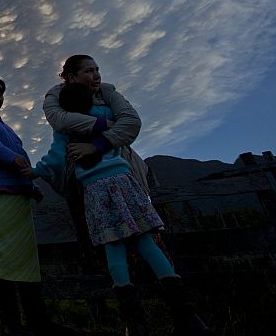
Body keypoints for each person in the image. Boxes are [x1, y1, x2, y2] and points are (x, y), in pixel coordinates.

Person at [31, 55, 212, 335]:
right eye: (89, 71)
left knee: (112, 247)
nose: (96, 75)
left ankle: (136, 323)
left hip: (96, 189)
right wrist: (109, 127)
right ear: (70, 76)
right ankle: (186, 316)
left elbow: (55, 157)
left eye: (97, 69)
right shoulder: (96, 112)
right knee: (146, 241)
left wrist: (35, 172)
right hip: (124, 181)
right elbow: (117, 124)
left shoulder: (74, 124)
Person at [0, 75, 75, 336]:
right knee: (0, 258)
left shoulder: (4, 125)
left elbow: (16, 162)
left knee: (25, 259)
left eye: (1, 93)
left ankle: (37, 320)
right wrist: (12, 157)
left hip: (16, 196)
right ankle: (11, 324)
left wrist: (30, 187)